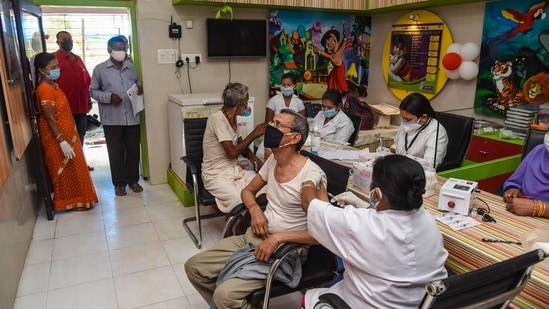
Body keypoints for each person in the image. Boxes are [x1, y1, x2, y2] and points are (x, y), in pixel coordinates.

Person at [185, 109, 327, 309]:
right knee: (194, 267)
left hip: (284, 251)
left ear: (294, 137)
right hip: (253, 237)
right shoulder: (273, 161)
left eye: (278, 125)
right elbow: (247, 191)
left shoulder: (311, 174)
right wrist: (255, 210)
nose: (270, 127)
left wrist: (278, 238)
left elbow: (323, 232)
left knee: (225, 296)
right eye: (272, 122)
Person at [301, 154, 448, 308]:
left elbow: (308, 204)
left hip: (369, 304)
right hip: (420, 303)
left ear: (376, 193)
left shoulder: (358, 224)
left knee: (309, 299)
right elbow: (390, 222)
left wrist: (309, 178)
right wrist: (363, 205)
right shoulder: (428, 220)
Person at [33, 52, 98, 211]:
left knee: (75, 168)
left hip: (69, 136)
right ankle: (69, 202)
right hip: (57, 138)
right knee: (65, 171)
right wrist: (62, 141)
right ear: (42, 71)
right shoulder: (45, 90)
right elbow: (49, 118)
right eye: (53, 67)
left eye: (57, 66)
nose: (57, 70)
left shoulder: (53, 85)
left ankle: (81, 199)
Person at [90, 35, 143, 197]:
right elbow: (93, 91)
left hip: (132, 118)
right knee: (116, 152)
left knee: (133, 151)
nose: (121, 52)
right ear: (109, 50)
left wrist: (139, 89)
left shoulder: (131, 67)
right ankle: (119, 184)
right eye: (118, 49)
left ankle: (133, 180)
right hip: (112, 119)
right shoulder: (100, 69)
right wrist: (108, 97)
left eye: (124, 48)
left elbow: (137, 83)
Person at [201, 82, 266, 213]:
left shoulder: (233, 120)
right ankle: (236, 228)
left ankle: (249, 223)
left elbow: (241, 145)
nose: (247, 105)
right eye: (246, 101)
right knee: (241, 198)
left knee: (264, 188)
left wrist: (253, 157)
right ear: (240, 103)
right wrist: (254, 134)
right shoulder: (217, 120)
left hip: (234, 170)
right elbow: (232, 152)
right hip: (215, 175)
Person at [53, 31, 94, 171]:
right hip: (64, 108)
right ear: (58, 42)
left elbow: (86, 82)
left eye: (69, 39)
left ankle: (80, 164)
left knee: (80, 136)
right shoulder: (54, 59)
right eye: (64, 39)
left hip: (81, 107)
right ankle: (68, 168)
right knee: (66, 137)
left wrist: (89, 100)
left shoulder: (77, 59)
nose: (68, 41)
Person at [389, 92, 448, 169]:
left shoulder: (436, 132)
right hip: (400, 168)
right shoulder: (406, 123)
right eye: (402, 118)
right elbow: (397, 144)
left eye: (408, 119)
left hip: (417, 173)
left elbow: (429, 165)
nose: (403, 122)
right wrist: (389, 152)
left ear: (423, 117)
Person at [258, 72, 306, 160]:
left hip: (293, 136)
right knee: (262, 155)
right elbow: (267, 124)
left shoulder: (298, 102)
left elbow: (303, 123)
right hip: (275, 135)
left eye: (289, 85)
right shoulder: (273, 101)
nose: (286, 87)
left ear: (294, 86)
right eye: (284, 85)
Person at [503, 130, 549, 218]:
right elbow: (514, 182)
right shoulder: (538, 151)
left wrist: (536, 208)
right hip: (520, 216)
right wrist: (512, 190)